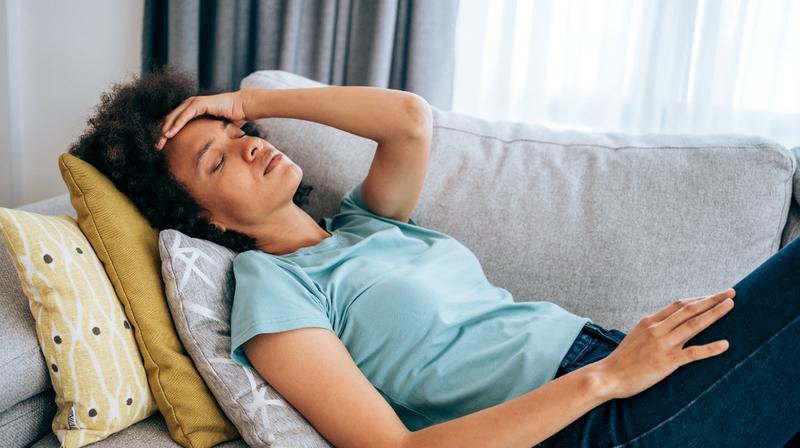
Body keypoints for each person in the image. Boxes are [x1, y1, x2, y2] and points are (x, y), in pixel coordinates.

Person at [69, 66, 800, 447]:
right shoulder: (273, 290)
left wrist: (243, 100)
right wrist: (605, 379)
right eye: (217, 159)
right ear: (202, 216)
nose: (250, 142)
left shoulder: (362, 226)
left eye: (238, 130)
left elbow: (408, 121)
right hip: (589, 420)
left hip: (620, 365)